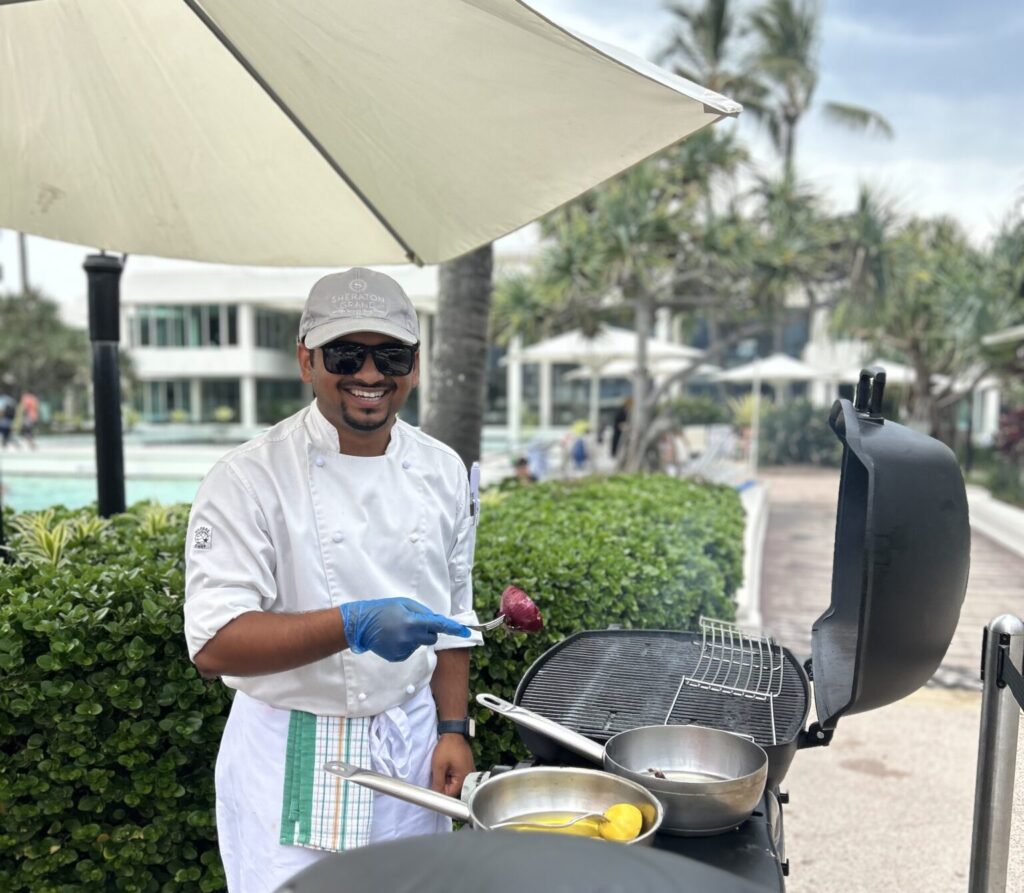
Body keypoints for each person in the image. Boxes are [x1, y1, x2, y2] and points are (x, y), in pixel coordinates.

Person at [183, 268, 484, 893]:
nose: (370, 374)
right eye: (346, 353)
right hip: (294, 745)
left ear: (415, 365)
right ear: (306, 360)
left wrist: (454, 729)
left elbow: (457, 613)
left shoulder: (442, 470)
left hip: (412, 739)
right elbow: (213, 644)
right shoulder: (247, 479)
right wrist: (351, 625)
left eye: (390, 355)